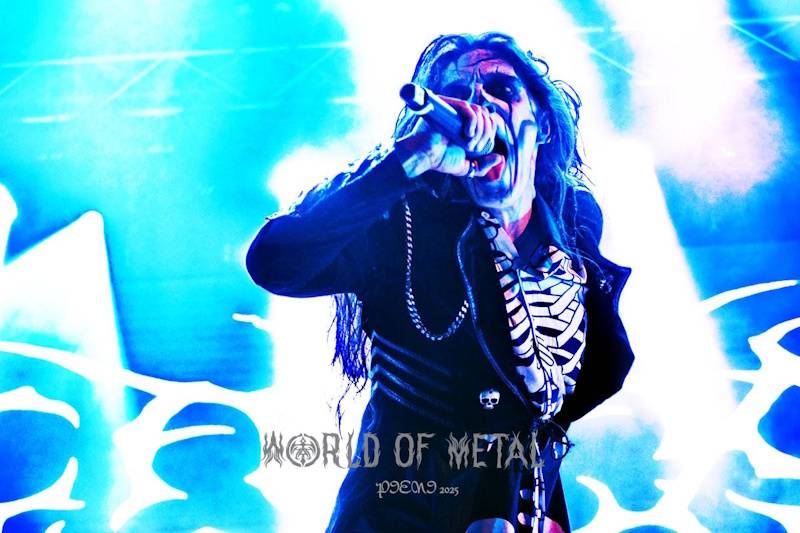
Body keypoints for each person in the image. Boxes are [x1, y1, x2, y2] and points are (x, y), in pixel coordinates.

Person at [246, 32, 635, 533]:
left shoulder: (572, 216)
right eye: (458, 95)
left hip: (524, 510)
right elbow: (275, 263)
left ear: (540, 122)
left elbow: (591, 371)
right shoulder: (402, 218)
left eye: (501, 89)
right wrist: (402, 165)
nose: (479, 107)